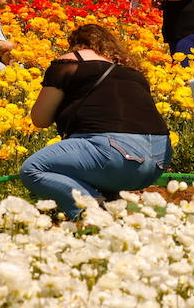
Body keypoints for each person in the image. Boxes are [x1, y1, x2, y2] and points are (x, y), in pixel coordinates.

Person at [20, 24, 171, 221]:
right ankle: (110, 213)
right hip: (158, 162)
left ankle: (92, 216)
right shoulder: (133, 73)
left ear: (76, 45)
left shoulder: (69, 63)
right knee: (98, 171)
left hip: (116, 154)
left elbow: (40, 119)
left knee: (33, 169)